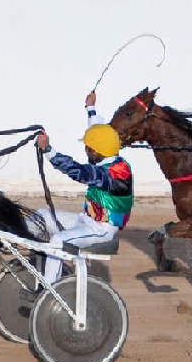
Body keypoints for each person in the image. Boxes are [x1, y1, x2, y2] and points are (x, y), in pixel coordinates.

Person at [32, 91, 133, 285]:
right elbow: (98, 132)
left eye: (87, 148)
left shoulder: (114, 174)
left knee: (58, 241)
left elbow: (78, 171)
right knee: (41, 216)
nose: (85, 150)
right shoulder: (105, 154)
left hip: (102, 229)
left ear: (96, 151)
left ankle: (48, 292)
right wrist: (91, 107)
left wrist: (48, 150)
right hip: (84, 220)